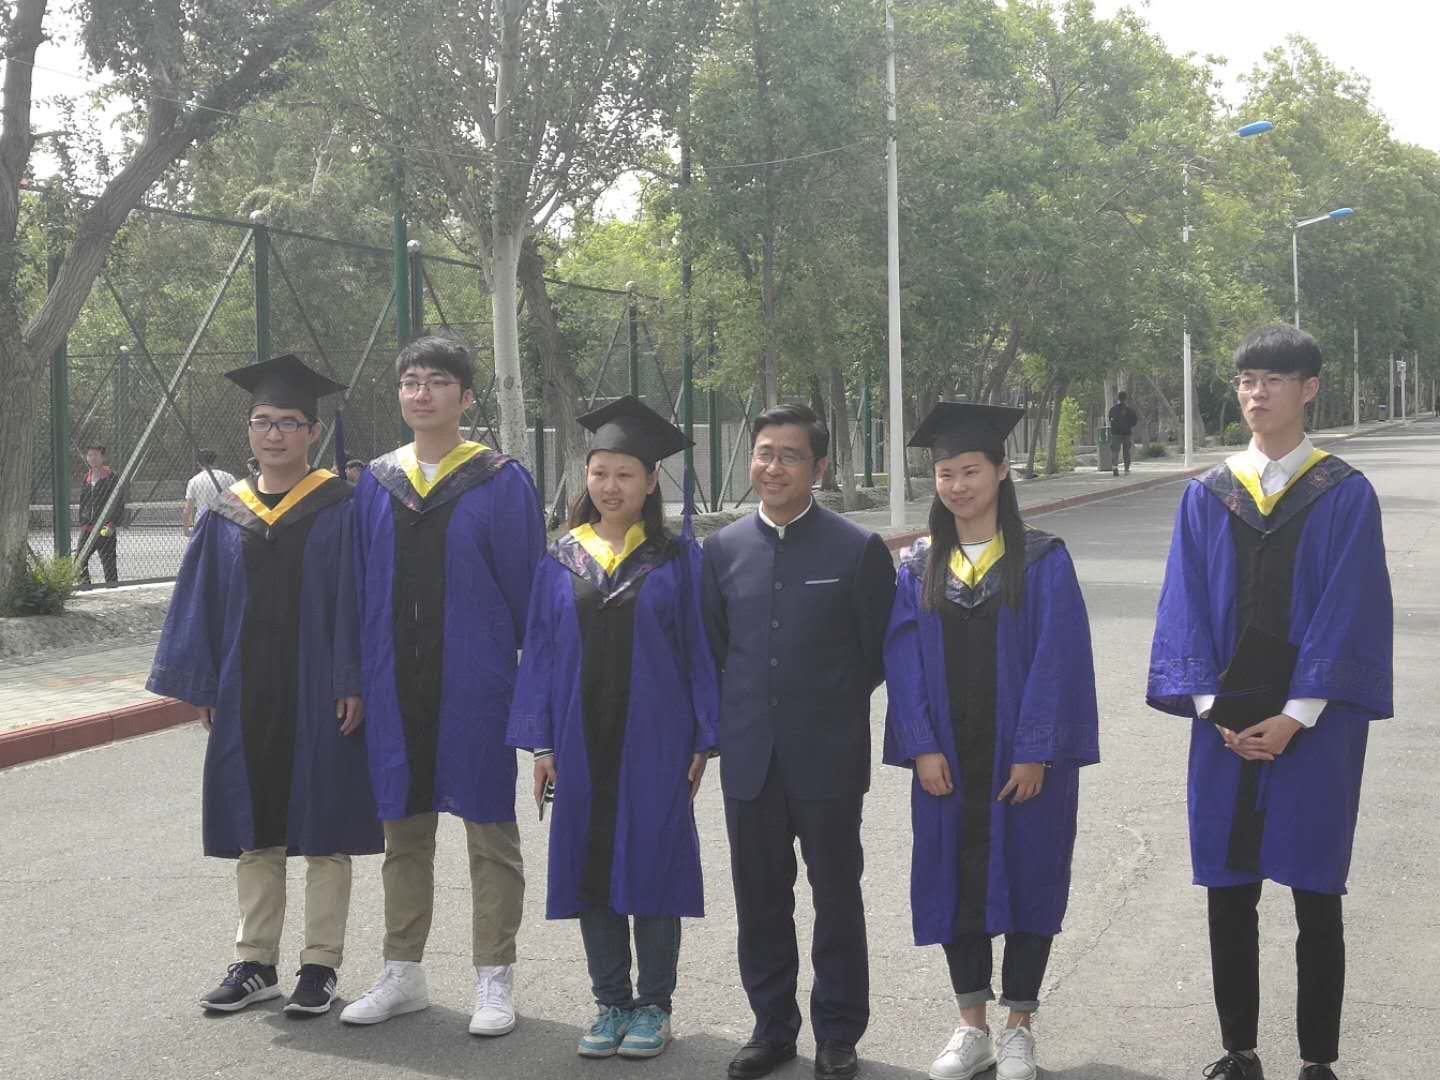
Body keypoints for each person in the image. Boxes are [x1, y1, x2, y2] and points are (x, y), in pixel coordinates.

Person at [1147, 326, 1393, 1080]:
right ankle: (1239, 1051)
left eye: (1274, 380)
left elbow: (1350, 610)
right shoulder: (1208, 494)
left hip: (1315, 725)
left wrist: (1295, 715)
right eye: (1248, 379)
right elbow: (1184, 605)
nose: (1256, 393)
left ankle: (1318, 1060)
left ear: (1309, 389)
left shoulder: (1344, 493)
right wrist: (1212, 711)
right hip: (1223, 726)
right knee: (1230, 892)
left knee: (1316, 894)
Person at [147, 353, 382, 1016]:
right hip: (247, 688)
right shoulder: (227, 512)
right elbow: (203, 603)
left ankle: (320, 965)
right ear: (249, 430)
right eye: (262, 422)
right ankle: (255, 961)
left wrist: (353, 679)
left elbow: (359, 600)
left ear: (313, 431)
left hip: (320, 688)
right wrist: (204, 684)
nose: (273, 434)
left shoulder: (341, 507)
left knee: (325, 823)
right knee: (256, 824)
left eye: (287, 423)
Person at [884, 402, 1100, 1080]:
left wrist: (1036, 750)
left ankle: (1019, 1030)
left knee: (1031, 875)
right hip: (948, 757)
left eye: (970, 471)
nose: (956, 486)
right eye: (945, 473)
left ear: (1002, 472)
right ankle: (971, 1025)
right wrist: (921, 745)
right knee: (955, 879)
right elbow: (903, 661)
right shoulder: (918, 565)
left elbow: (1059, 659)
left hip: (1020, 759)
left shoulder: (1041, 559)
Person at [344, 334, 544, 1037]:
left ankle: (495, 975)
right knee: (403, 832)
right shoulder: (376, 482)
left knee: (490, 833)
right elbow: (356, 589)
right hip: (394, 682)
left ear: (465, 396)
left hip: (476, 684)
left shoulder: (499, 479)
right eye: (410, 381)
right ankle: (403, 971)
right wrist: (353, 679)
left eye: (435, 381)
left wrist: (535, 696)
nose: (420, 393)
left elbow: (530, 596)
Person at [509, 396, 719, 1060]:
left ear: (651, 481)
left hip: (656, 739)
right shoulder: (561, 558)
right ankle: (610, 1003)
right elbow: (541, 653)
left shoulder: (677, 559)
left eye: (625, 474)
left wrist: (702, 739)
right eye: (599, 472)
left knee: (653, 862)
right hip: (577, 741)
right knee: (590, 865)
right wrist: (542, 743)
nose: (610, 485)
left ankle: (654, 1004)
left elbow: (700, 650)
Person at [701, 403, 896, 1080]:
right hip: (750, 759)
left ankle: (838, 1033)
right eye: (764, 452)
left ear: (818, 468)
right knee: (759, 899)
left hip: (828, 757)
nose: (773, 467)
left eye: (789, 456)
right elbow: (718, 649)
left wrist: (823, 704)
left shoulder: (857, 549)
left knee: (836, 897)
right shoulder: (722, 550)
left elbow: (875, 655)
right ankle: (772, 1028)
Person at [78, 444, 123, 584]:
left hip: (105, 527)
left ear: (103, 457)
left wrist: (111, 524)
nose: (92, 458)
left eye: (96, 455)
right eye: (89, 455)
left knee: (109, 564)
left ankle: (112, 589)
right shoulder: (86, 478)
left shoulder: (112, 477)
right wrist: (83, 521)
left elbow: (118, 503)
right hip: (88, 529)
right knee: (79, 561)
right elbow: (83, 502)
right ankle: (86, 588)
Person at [183, 449, 238, 537]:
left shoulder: (194, 481)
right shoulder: (229, 477)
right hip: (225, 521)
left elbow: (188, 509)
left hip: (203, 522)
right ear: (215, 461)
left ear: (199, 464)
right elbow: (237, 502)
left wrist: (186, 530)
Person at [1107, 391, 1138, 476]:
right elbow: (1134, 421)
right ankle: (1126, 469)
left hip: (1115, 433)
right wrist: (1128, 426)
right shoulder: (1130, 410)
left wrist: (1115, 426)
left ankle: (1115, 468)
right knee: (1126, 451)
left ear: (1118, 398)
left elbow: (1110, 419)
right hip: (1127, 433)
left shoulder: (1113, 409)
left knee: (1115, 451)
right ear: (1126, 399)